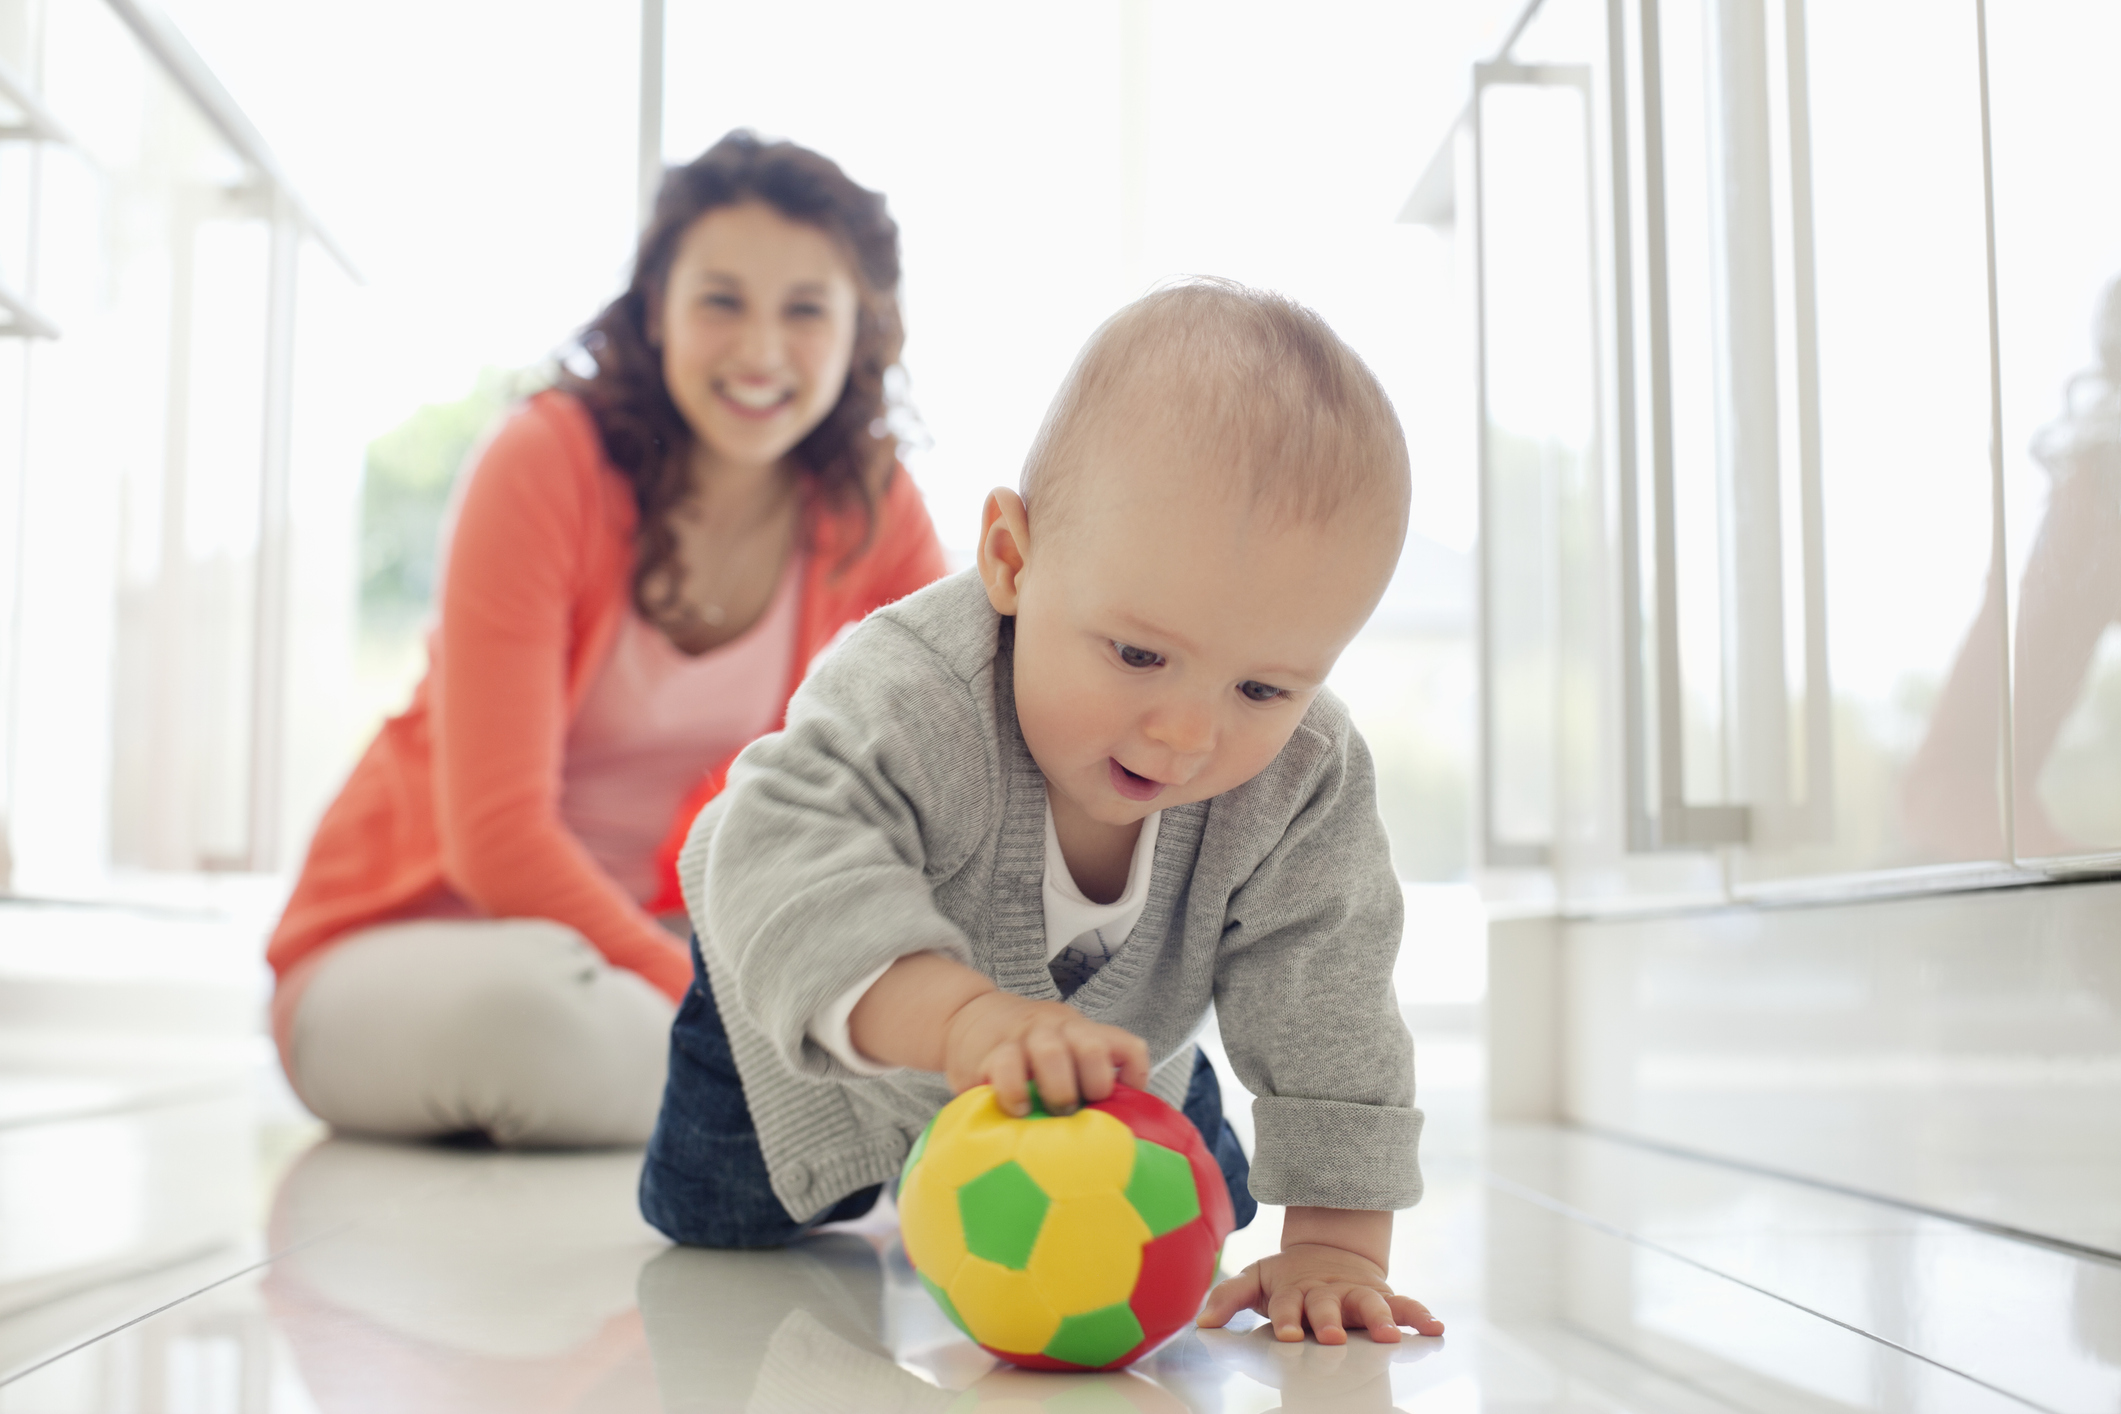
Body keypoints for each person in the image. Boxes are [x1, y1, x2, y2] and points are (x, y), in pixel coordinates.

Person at [642, 279, 1444, 1347]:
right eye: (1140, 655)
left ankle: (1156, 1087)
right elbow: (787, 849)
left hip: (1094, 1050)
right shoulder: (912, 690)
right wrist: (962, 1024)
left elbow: (1329, 986)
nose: (1183, 736)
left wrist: (1340, 1244)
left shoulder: (1303, 774)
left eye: (1262, 689)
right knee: (720, 1226)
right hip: (790, 1022)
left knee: (1214, 1209)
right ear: (1012, 560)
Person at [265, 132, 947, 1148]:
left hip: (648, 949)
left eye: (806, 309)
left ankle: (780, 1103)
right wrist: (736, 1009)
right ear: (658, 306)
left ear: (860, 330)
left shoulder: (873, 513)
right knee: (536, 1011)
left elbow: (946, 783)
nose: (761, 349)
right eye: (722, 300)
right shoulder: (545, 461)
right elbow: (497, 843)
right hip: (421, 945)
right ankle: (788, 1104)